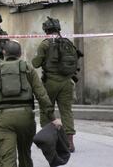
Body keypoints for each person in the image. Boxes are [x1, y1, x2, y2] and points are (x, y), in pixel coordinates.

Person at [0, 40, 62, 167]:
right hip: (26, 118)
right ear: (20, 53)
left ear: (4, 53)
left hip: (3, 120)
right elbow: (42, 95)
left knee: (6, 158)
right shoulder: (28, 69)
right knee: (25, 155)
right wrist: (53, 118)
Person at [32, 16, 82, 153]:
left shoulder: (45, 44)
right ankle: (69, 143)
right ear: (58, 29)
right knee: (66, 111)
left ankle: (49, 140)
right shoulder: (68, 42)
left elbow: (35, 63)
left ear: (46, 29)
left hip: (50, 83)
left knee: (46, 110)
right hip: (67, 82)